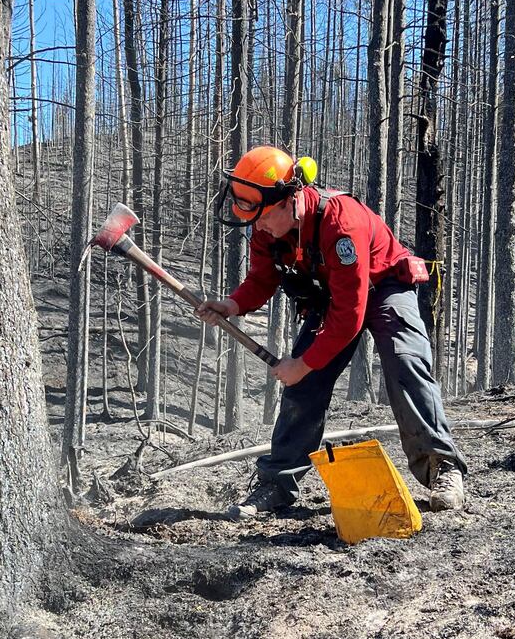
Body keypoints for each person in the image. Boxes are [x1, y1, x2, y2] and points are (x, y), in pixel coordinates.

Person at [196, 145, 465, 521]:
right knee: (302, 387)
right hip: (332, 295)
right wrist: (230, 305)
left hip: (383, 285)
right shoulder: (268, 227)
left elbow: (350, 315)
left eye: (263, 217)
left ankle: (442, 466)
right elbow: (261, 278)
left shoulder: (342, 224)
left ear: (291, 200)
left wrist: (303, 363)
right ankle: (277, 482)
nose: (257, 226)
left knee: (405, 362)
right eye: (251, 218)